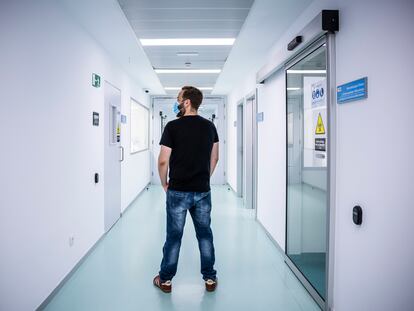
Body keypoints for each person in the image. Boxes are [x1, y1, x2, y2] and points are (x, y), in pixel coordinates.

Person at [153, 86, 219, 293]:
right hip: (202, 190)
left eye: (179, 98)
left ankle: (165, 280)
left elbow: (163, 161)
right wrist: (203, 179)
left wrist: (164, 183)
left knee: (174, 236)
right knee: (205, 235)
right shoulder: (210, 127)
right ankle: (210, 279)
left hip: (178, 191)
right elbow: (215, 157)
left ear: (187, 102)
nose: (177, 102)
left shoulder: (172, 127)